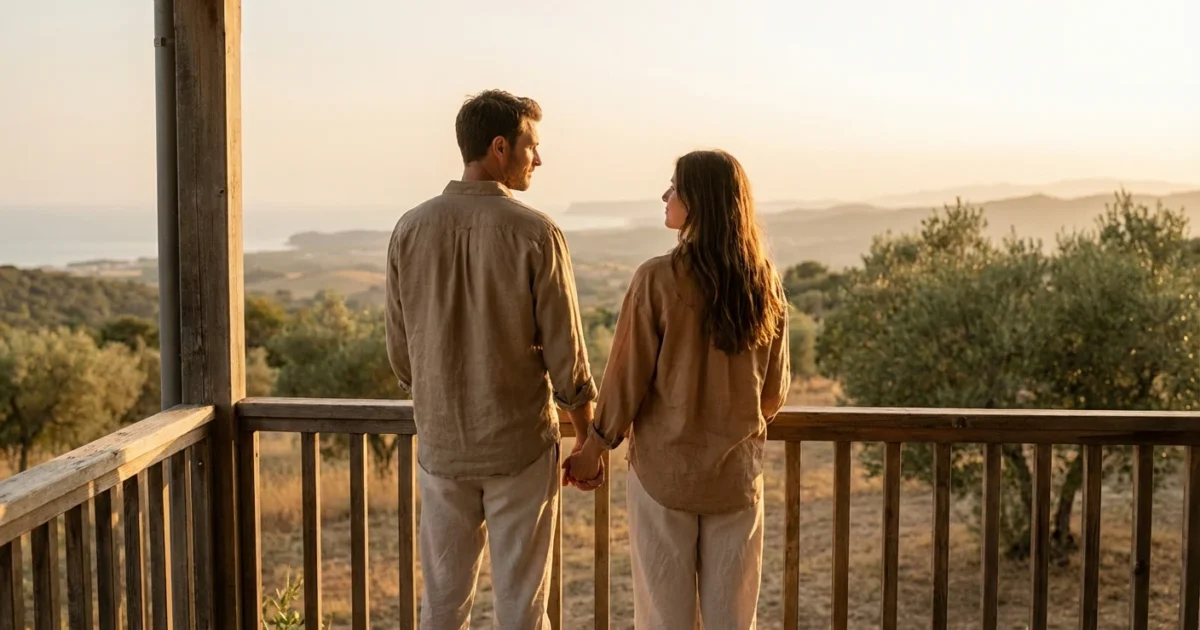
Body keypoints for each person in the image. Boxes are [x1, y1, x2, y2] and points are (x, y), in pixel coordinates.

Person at [385, 89, 600, 630]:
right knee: (522, 607)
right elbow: (567, 357)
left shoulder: (409, 230)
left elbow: (401, 356)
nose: (539, 159)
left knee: (442, 606)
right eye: (532, 145)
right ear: (500, 148)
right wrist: (588, 441)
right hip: (519, 447)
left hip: (441, 448)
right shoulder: (535, 233)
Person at [564, 150, 790, 629]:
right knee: (733, 620)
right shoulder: (764, 284)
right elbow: (773, 395)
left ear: (699, 201)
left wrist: (594, 447)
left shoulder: (657, 279)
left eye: (674, 187)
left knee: (664, 620)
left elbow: (626, 377)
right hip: (735, 478)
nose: (665, 195)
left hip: (664, 477)